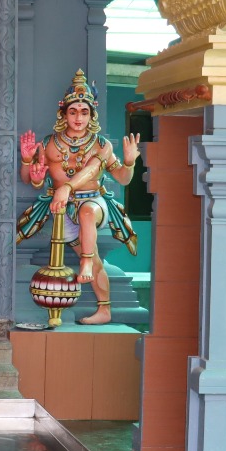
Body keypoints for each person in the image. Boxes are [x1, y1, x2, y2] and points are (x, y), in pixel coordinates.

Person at [17, 69, 139, 326]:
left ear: (92, 115)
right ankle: (104, 309)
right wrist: (28, 162)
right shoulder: (50, 144)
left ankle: (84, 264)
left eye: (84, 112)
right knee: (95, 258)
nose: (78, 118)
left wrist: (129, 162)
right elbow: (32, 180)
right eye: (73, 112)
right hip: (63, 209)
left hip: (94, 202)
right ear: (64, 114)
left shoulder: (101, 145)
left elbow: (122, 178)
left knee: (87, 213)